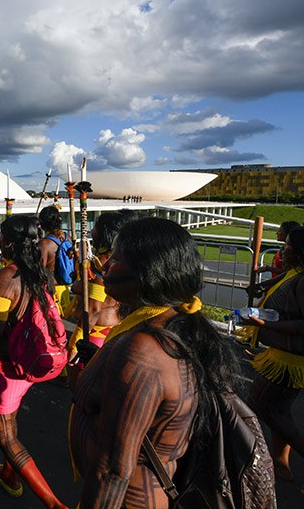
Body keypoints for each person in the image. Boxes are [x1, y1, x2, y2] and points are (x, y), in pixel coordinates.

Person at [69, 217, 239, 507]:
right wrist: (99, 362)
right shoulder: (164, 326)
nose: (106, 266)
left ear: (148, 272)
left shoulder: (142, 351)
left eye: (117, 258)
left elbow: (113, 470)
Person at [0, 215, 68, 508]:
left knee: (4, 435)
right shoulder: (40, 273)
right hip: (28, 365)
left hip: (7, 368)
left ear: (8, 242)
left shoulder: (8, 276)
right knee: (11, 419)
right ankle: (8, 475)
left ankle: (53, 503)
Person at [242, 226, 304, 495]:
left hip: (293, 361)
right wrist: (262, 287)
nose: (282, 252)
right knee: (278, 410)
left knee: (263, 408)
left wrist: (263, 322)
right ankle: (280, 463)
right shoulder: (301, 272)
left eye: (288, 248)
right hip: (286, 356)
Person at [65, 210, 133, 388]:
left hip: (95, 333)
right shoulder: (120, 261)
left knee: (79, 387)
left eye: (95, 227)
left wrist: (75, 344)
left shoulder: (104, 263)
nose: (92, 231)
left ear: (105, 233)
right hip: (112, 329)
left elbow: (94, 308)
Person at [38, 206, 73, 316]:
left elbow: (40, 270)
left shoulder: (45, 243)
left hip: (51, 289)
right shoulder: (68, 237)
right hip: (65, 288)